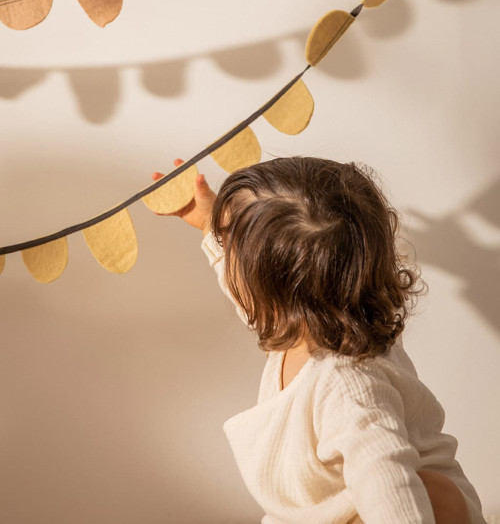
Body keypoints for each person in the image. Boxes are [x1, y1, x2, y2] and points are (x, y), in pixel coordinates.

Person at [153, 156, 486, 524]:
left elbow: (391, 489)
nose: (223, 248)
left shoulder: (349, 386)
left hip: (409, 506)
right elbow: (246, 297)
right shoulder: (306, 320)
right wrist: (207, 225)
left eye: (229, 242)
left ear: (270, 287)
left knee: (433, 494)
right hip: (321, 509)